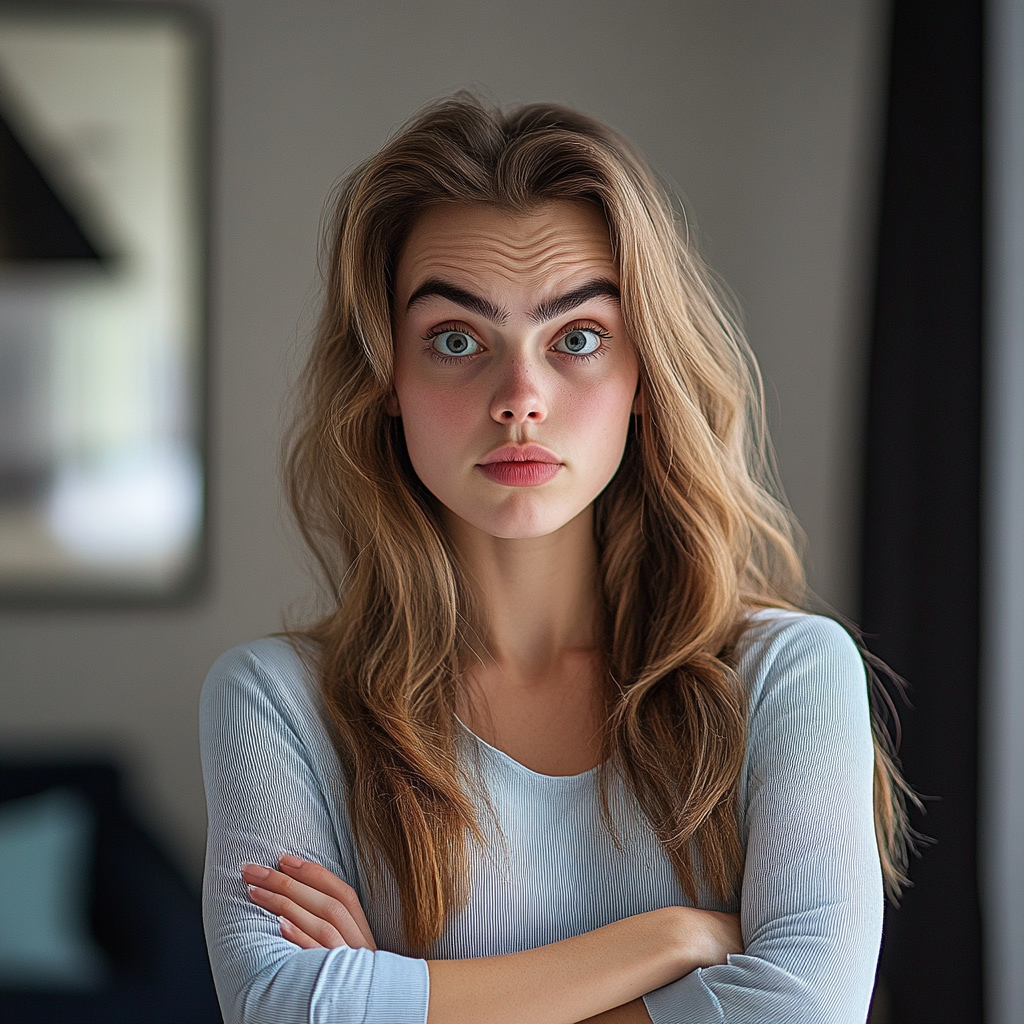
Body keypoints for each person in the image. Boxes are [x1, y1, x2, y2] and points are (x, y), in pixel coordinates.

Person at [200, 96, 912, 1024]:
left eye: (577, 338)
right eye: (457, 340)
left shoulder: (787, 674)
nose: (520, 397)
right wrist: (672, 940)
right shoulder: (278, 703)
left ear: (644, 376)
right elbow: (282, 1010)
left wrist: (397, 997)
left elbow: (802, 1013)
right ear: (387, 382)